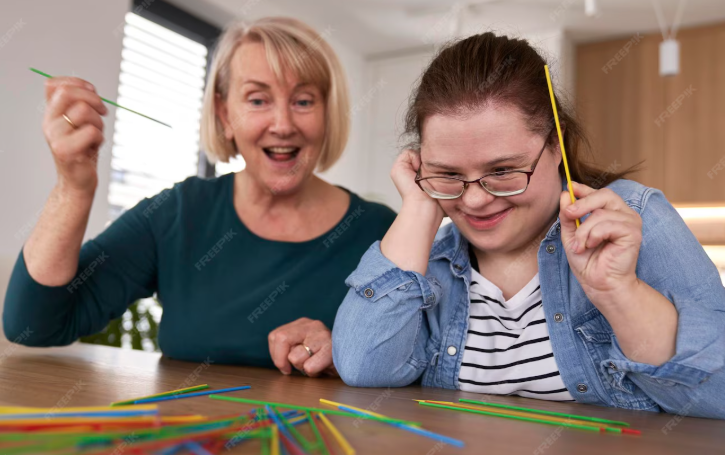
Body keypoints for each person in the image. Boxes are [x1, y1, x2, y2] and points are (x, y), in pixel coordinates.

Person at [332, 32, 725, 418]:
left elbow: (717, 400)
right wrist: (419, 208)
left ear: (556, 145)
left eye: (502, 170)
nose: (474, 200)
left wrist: (621, 293)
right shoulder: (426, 261)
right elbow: (365, 370)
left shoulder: (633, 219)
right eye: (448, 172)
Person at [3, 17, 395, 377]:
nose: (282, 124)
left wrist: (347, 350)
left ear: (328, 113)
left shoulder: (383, 234)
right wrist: (73, 187)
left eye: (304, 101)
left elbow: (430, 367)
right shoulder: (177, 214)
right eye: (257, 100)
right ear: (225, 115)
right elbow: (32, 325)